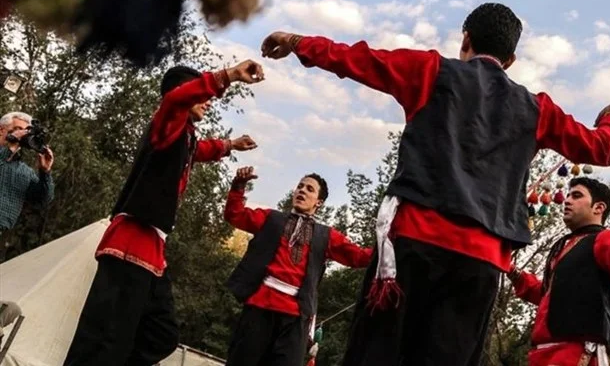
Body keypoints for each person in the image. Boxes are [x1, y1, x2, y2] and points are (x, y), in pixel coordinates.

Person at [260, 2, 610, 366]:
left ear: (465, 39)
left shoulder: (431, 70)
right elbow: (603, 148)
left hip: (412, 246)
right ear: (511, 60)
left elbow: (359, 59)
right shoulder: (537, 109)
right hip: (482, 262)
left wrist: (297, 42)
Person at [64, 60, 264, 366]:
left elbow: (199, 150)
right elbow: (174, 101)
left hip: (153, 248)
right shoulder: (167, 123)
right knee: (105, 337)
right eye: (202, 96)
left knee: (162, 333)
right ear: (185, 94)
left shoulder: (183, 137)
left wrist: (230, 144)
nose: (209, 102)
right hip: (130, 241)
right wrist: (229, 75)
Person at [507, 177, 610, 366]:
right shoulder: (563, 247)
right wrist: (512, 271)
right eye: (567, 195)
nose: (567, 200)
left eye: (576, 196)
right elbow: (549, 297)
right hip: (543, 354)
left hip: (578, 353)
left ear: (598, 208)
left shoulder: (606, 239)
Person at [224, 166, 373, 366]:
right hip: (259, 308)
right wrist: (239, 185)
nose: (302, 190)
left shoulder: (326, 236)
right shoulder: (271, 218)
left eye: (310, 189)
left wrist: (393, 246)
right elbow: (235, 215)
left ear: (319, 202)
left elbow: (359, 257)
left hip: (295, 318)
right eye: (300, 187)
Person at [0, 112, 55, 260]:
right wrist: (9, 148)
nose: (23, 135)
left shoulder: (24, 171)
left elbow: (43, 200)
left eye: (27, 132)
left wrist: (45, 172)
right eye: (19, 129)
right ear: (2, 130)